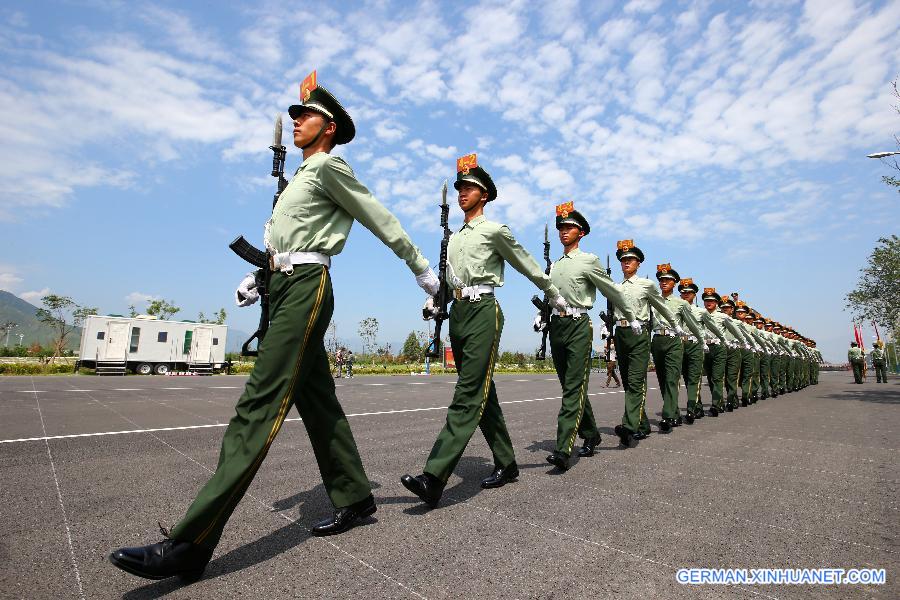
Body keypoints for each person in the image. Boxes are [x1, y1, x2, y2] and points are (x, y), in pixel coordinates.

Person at [109, 72, 441, 582]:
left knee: (258, 404)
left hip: (307, 288)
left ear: (328, 127)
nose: (295, 120)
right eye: (295, 114)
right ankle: (354, 495)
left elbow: (379, 216)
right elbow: (281, 239)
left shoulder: (330, 168)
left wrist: (421, 268)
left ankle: (190, 542)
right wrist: (257, 276)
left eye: (304, 115)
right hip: (284, 285)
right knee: (317, 401)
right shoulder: (298, 181)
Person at [401, 153, 570, 507]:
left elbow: (527, 264)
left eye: (470, 187)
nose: (462, 192)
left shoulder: (495, 231)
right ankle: (507, 463)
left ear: (485, 195)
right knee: (482, 392)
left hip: (483, 312)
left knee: (467, 393)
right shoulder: (456, 237)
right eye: (460, 186)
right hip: (459, 314)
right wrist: (437, 302)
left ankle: (434, 476)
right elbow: (447, 282)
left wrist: (552, 293)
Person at [537, 204, 637, 471]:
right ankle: (591, 433)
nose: (563, 232)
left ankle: (563, 448)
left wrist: (629, 315)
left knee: (573, 387)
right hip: (557, 327)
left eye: (568, 228)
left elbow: (611, 291)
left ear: (581, 232)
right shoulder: (555, 265)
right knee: (572, 385)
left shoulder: (588, 260)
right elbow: (551, 295)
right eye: (561, 228)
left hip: (579, 325)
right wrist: (542, 315)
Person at [611, 240, 679, 447]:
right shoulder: (615, 286)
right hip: (620, 334)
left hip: (639, 333)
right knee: (629, 381)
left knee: (635, 379)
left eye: (630, 260)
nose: (626, 263)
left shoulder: (646, 285)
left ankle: (629, 425)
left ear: (638, 263)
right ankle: (642, 424)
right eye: (623, 260)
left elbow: (662, 307)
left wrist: (675, 325)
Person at [651, 264, 705, 432]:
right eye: (661, 280)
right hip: (657, 340)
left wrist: (701, 341)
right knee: (661, 378)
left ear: (674, 283)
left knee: (671, 378)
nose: (664, 282)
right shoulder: (652, 300)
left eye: (668, 280)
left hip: (674, 340)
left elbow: (692, 325)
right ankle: (674, 412)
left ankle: (668, 416)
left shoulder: (681, 304)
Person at [677, 278, 727, 422]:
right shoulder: (677, 308)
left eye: (689, 292)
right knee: (687, 378)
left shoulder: (701, 312)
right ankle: (697, 406)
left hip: (696, 345)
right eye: (683, 292)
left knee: (697, 377)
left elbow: (713, 329)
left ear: (695, 295)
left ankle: (697, 407)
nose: (686, 294)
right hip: (681, 344)